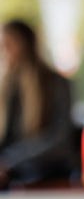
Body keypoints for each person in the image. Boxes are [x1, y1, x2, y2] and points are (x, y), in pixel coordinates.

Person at [0, 19, 78, 190]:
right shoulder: (7, 88)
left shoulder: (56, 84)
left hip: (45, 175)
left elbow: (59, 140)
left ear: (25, 45)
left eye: (8, 44)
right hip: (12, 177)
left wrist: (10, 162)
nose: (3, 52)